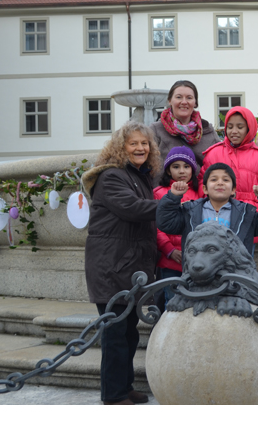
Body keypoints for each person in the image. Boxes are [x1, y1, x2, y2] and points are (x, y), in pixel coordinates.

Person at [82, 121, 161, 405]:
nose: (141, 148)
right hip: (111, 267)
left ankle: (124, 386)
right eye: (134, 144)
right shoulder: (112, 176)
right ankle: (114, 395)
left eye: (145, 143)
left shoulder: (140, 176)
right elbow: (133, 208)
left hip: (127, 268)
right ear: (120, 148)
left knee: (128, 333)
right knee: (115, 334)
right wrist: (174, 204)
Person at [156, 162, 258, 257]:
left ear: (233, 190)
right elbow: (166, 223)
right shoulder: (190, 211)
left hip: (236, 278)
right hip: (198, 275)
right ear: (205, 189)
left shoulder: (246, 213)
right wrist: (173, 197)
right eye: (214, 179)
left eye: (225, 180)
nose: (220, 183)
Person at [200, 106, 258, 247]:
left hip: (247, 222)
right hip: (217, 221)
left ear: (249, 129)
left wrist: (257, 211)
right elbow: (202, 182)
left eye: (240, 127)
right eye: (230, 127)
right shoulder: (214, 153)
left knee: (244, 264)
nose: (234, 131)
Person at [153, 146, 203, 308]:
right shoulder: (160, 193)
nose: (182, 171)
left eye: (186, 166)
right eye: (176, 167)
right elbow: (156, 227)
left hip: (195, 261)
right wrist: (169, 250)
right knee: (172, 302)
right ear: (168, 171)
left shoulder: (199, 193)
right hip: (170, 261)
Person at [150, 80, 221, 184]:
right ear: (170, 100)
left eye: (189, 98)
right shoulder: (155, 130)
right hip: (164, 196)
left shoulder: (208, 132)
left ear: (195, 102)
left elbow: (221, 166)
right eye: (179, 97)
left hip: (200, 196)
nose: (184, 102)